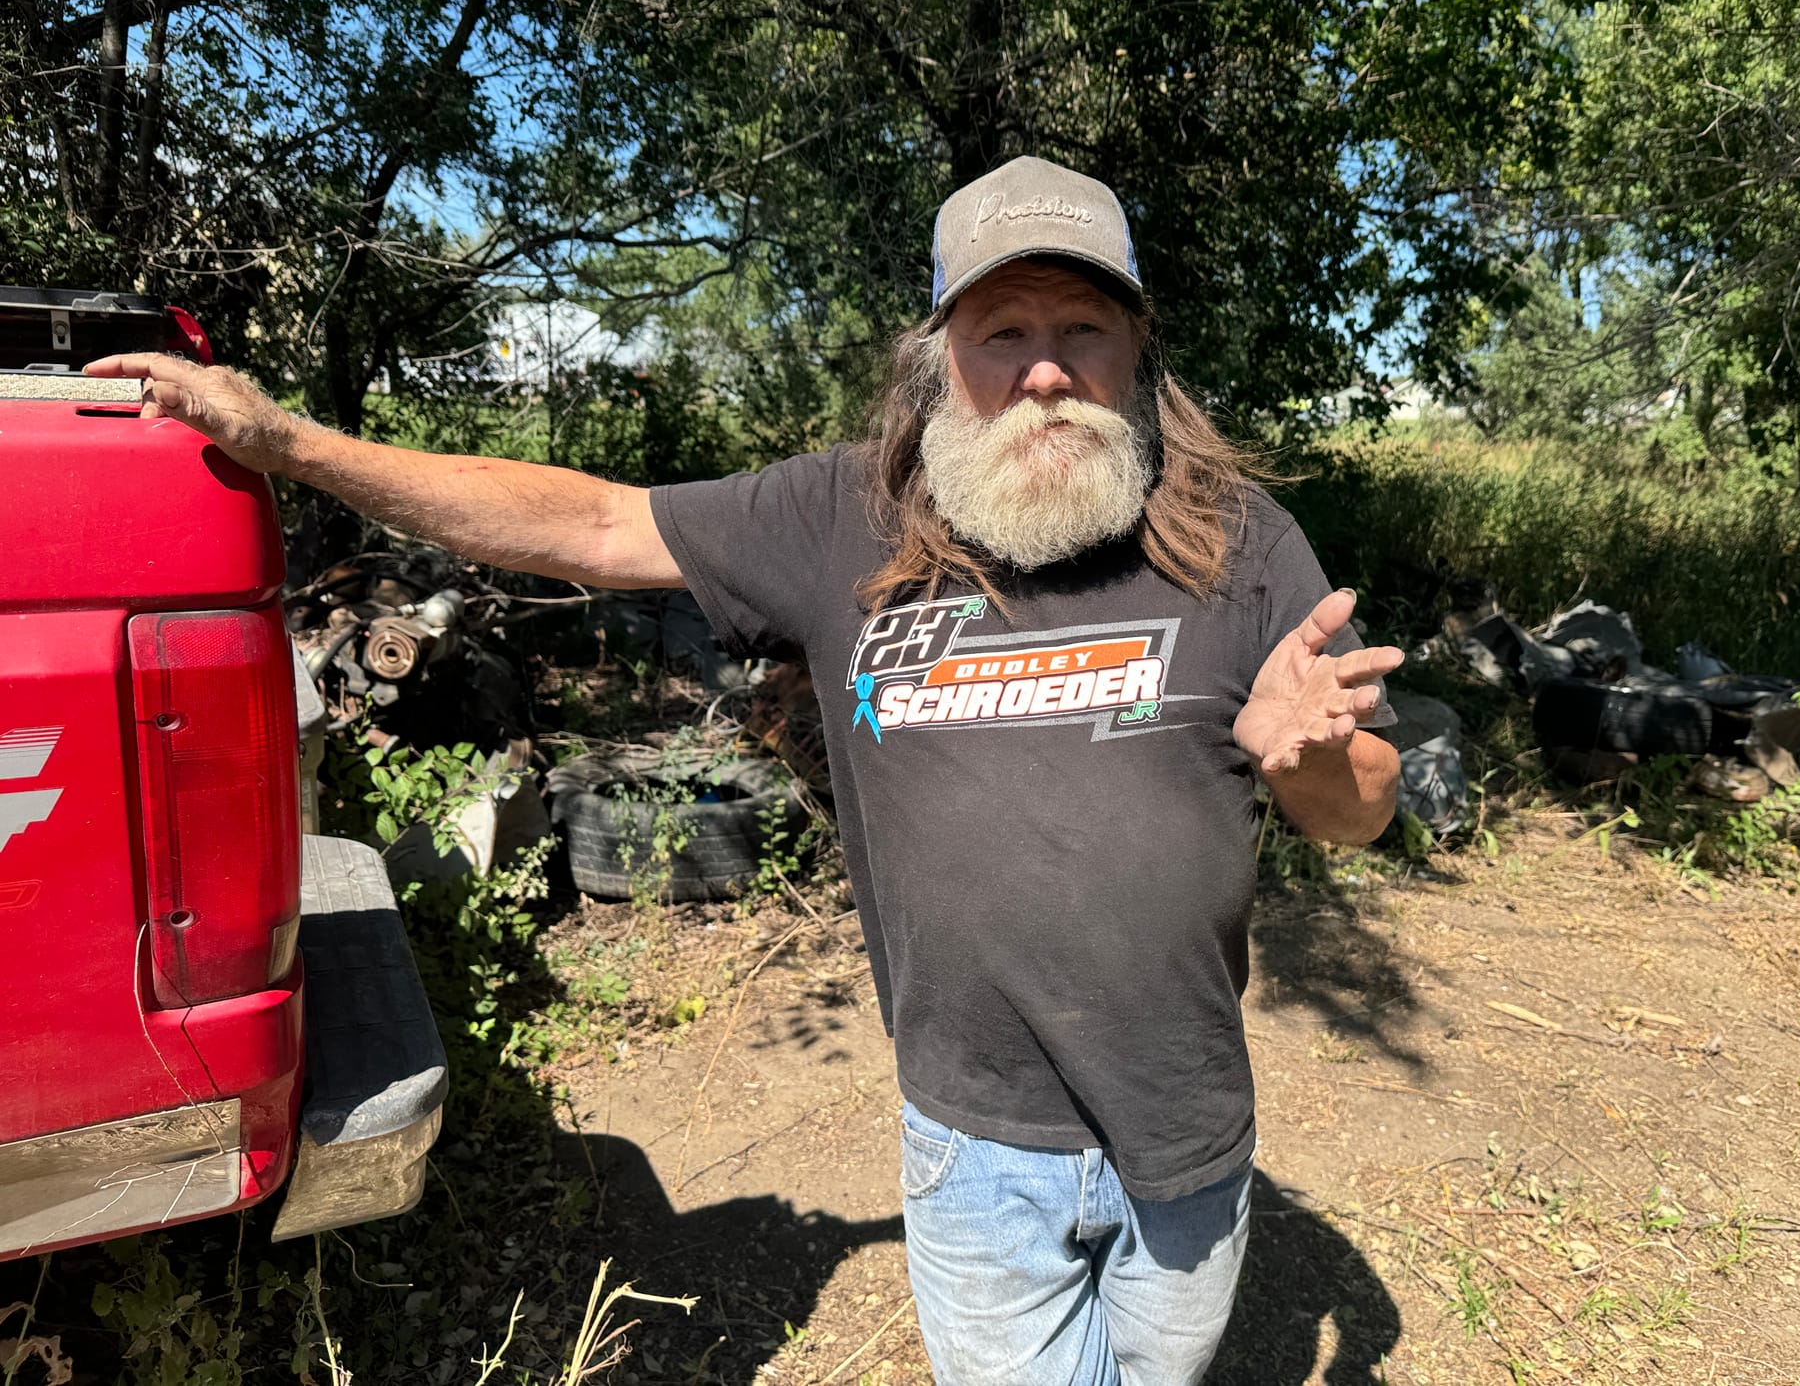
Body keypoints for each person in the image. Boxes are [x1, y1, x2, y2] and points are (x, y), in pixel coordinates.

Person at [91, 154, 1403, 1385]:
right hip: (978, 1146)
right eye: (1004, 331)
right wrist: (292, 444)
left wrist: (1313, 763)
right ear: (941, 361)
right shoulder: (844, 518)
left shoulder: (1234, 539)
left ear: (1137, 351)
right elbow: (595, 524)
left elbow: (1358, 815)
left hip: (1188, 1130)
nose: (1046, 371)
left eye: (1084, 328)